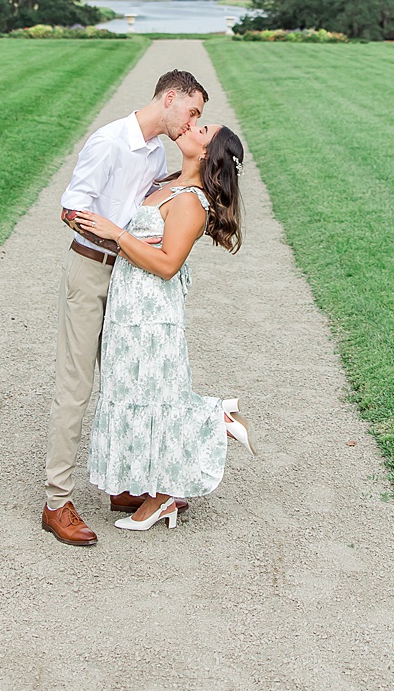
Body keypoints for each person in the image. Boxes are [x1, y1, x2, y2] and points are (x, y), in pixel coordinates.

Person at [42, 70, 207, 547]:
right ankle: (57, 502)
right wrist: (115, 236)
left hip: (131, 279)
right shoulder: (110, 141)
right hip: (93, 269)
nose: (193, 121)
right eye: (193, 112)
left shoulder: (156, 152)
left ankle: (123, 484)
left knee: (126, 380)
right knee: (75, 387)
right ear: (170, 98)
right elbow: (70, 209)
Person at [74, 122, 252, 533]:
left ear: (207, 153)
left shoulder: (191, 200)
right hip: (130, 306)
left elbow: (168, 265)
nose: (193, 126)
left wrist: (117, 234)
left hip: (151, 312)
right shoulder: (170, 184)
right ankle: (161, 485)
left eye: (202, 128)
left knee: (152, 394)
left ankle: (201, 435)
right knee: (136, 390)